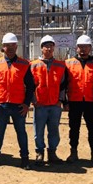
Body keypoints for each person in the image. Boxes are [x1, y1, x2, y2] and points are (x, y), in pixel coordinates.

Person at [0, 33, 35, 170]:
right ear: (3, 47)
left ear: (16, 46)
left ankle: (25, 158)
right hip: (1, 105)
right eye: (7, 45)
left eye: (13, 45)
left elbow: (30, 86)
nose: (10, 48)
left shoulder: (24, 64)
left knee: (21, 132)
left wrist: (26, 104)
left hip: (18, 105)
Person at [65, 35, 93, 164]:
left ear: (90, 48)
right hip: (74, 101)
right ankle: (73, 152)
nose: (83, 50)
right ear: (76, 48)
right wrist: (65, 101)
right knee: (74, 128)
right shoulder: (69, 63)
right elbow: (64, 84)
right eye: (80, 47)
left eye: (85, 47)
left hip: (91, 102)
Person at [30, 35, 67, 166]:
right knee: (38, 131)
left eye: (51, 46)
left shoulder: (61, 65)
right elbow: (30, 85)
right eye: (46, 46)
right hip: (40, 104)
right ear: (41, 48)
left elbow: (63, 85)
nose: (49, 48)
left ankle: (52, 153)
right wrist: (34, 101)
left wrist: (60, 100)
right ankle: (39, 153)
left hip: (55, 105)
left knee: (54, 130)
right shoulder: (33, 65)